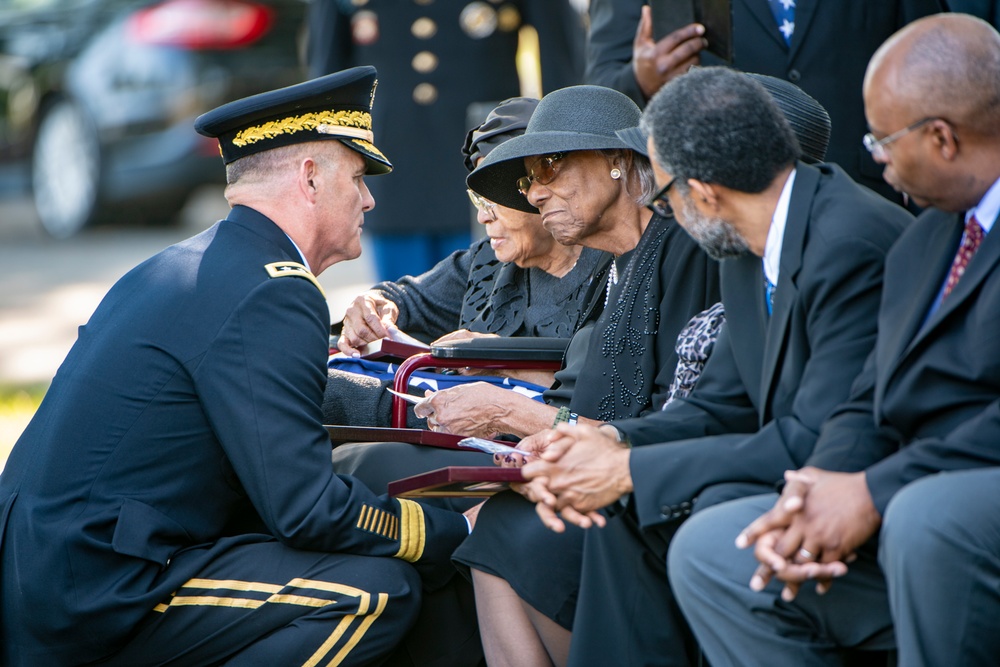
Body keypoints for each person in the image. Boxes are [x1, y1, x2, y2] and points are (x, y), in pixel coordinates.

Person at [0, 67, 471, 666]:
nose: (370, 199)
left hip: (49, 568)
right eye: (358, 177)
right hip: (100, 594)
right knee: (375, 592)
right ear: (309, 179)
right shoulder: (273, 289)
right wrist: (455, 532)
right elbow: (305, 510)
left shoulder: (187, 265)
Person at [490, 67, 911, 666]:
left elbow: (813, 437)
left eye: (662, 198)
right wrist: (603, 440)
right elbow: (721, 403)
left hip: (860, 486)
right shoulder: (744, 246)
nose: (664, 219)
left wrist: (631, 469)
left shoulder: (847, 243)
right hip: (790, 464)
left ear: (704, 192)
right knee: (619, 511)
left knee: (662, 513)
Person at [666, 14, 1000, 667]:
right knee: (715, 547)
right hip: (908, 490)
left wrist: (876, 491)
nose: (874, 155)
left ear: (942, 138)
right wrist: (819, 486)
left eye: (882, 138)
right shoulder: (925, 241)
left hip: (950, 494)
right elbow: (871, 395)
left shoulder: (865, 233)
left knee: (928, 518)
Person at [322, 97, 604, 429]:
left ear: (542, 188)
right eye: (478, 199)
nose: (483, 216)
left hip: (540, 438)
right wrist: (372, 305)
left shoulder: (612, 268)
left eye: (494, 198)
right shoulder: (487, 261)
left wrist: (500, 363)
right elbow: (406, 297)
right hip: (465, 426)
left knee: (328, 394)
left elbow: (605, 396)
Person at [308, 0, 585, 280]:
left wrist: (563, 154)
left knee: (494, 301)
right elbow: (328, 75)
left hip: (486, 165)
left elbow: (559, 58)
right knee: (398, 306)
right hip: (392, 166)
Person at [584, 0, 945, 202]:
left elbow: (936, 56)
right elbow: (600, 92)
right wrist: (641, 80)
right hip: (723, 204)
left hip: (869, 191)